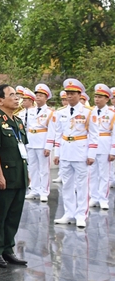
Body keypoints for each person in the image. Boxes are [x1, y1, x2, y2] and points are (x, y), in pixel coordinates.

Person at [0, 84, 30, 266]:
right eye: (11, 95)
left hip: (18, 173)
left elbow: (22, 148)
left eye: (16, 94)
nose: (16, 97)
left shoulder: (18, 121)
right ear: (0, 100)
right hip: (5, 173)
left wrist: (26, 172)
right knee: (0, 213)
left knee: (14, 214)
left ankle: (8, 248)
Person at [48, 79, 98, 228]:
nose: (69, 96)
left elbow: (94, 134)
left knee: (82, 184)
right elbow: (58, 133)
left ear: (79, 94)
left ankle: (81, 214)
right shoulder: (60, 112)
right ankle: (69, 213)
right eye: (67, 94)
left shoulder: (88, 112)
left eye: (72, 94)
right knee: (67, 184)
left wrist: (91, 154)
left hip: (81, 150)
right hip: (65, 150)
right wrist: (56, 153)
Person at [89, 84, 114, 209]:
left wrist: (113, 150)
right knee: (92, 173)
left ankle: (103, 198)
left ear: (107, 99)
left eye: (100, 97)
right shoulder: (90, 111)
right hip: (92, 146)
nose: (97, 99)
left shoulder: (111, 113)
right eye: (95, 97)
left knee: (104, 174)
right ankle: (93, 197)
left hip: (105, 144)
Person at [27, 84, 53, 203]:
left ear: (46, 98)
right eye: (37, 95)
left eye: (41, 95)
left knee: (43, 168)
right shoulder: (30, 110)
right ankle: (34, 189)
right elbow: (27, 127)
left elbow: (51, 130)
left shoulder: (50, 112)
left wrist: (48, 146)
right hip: (31, 141)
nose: (38, 97)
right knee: (32, 167)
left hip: (42, 141)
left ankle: (44, 191)